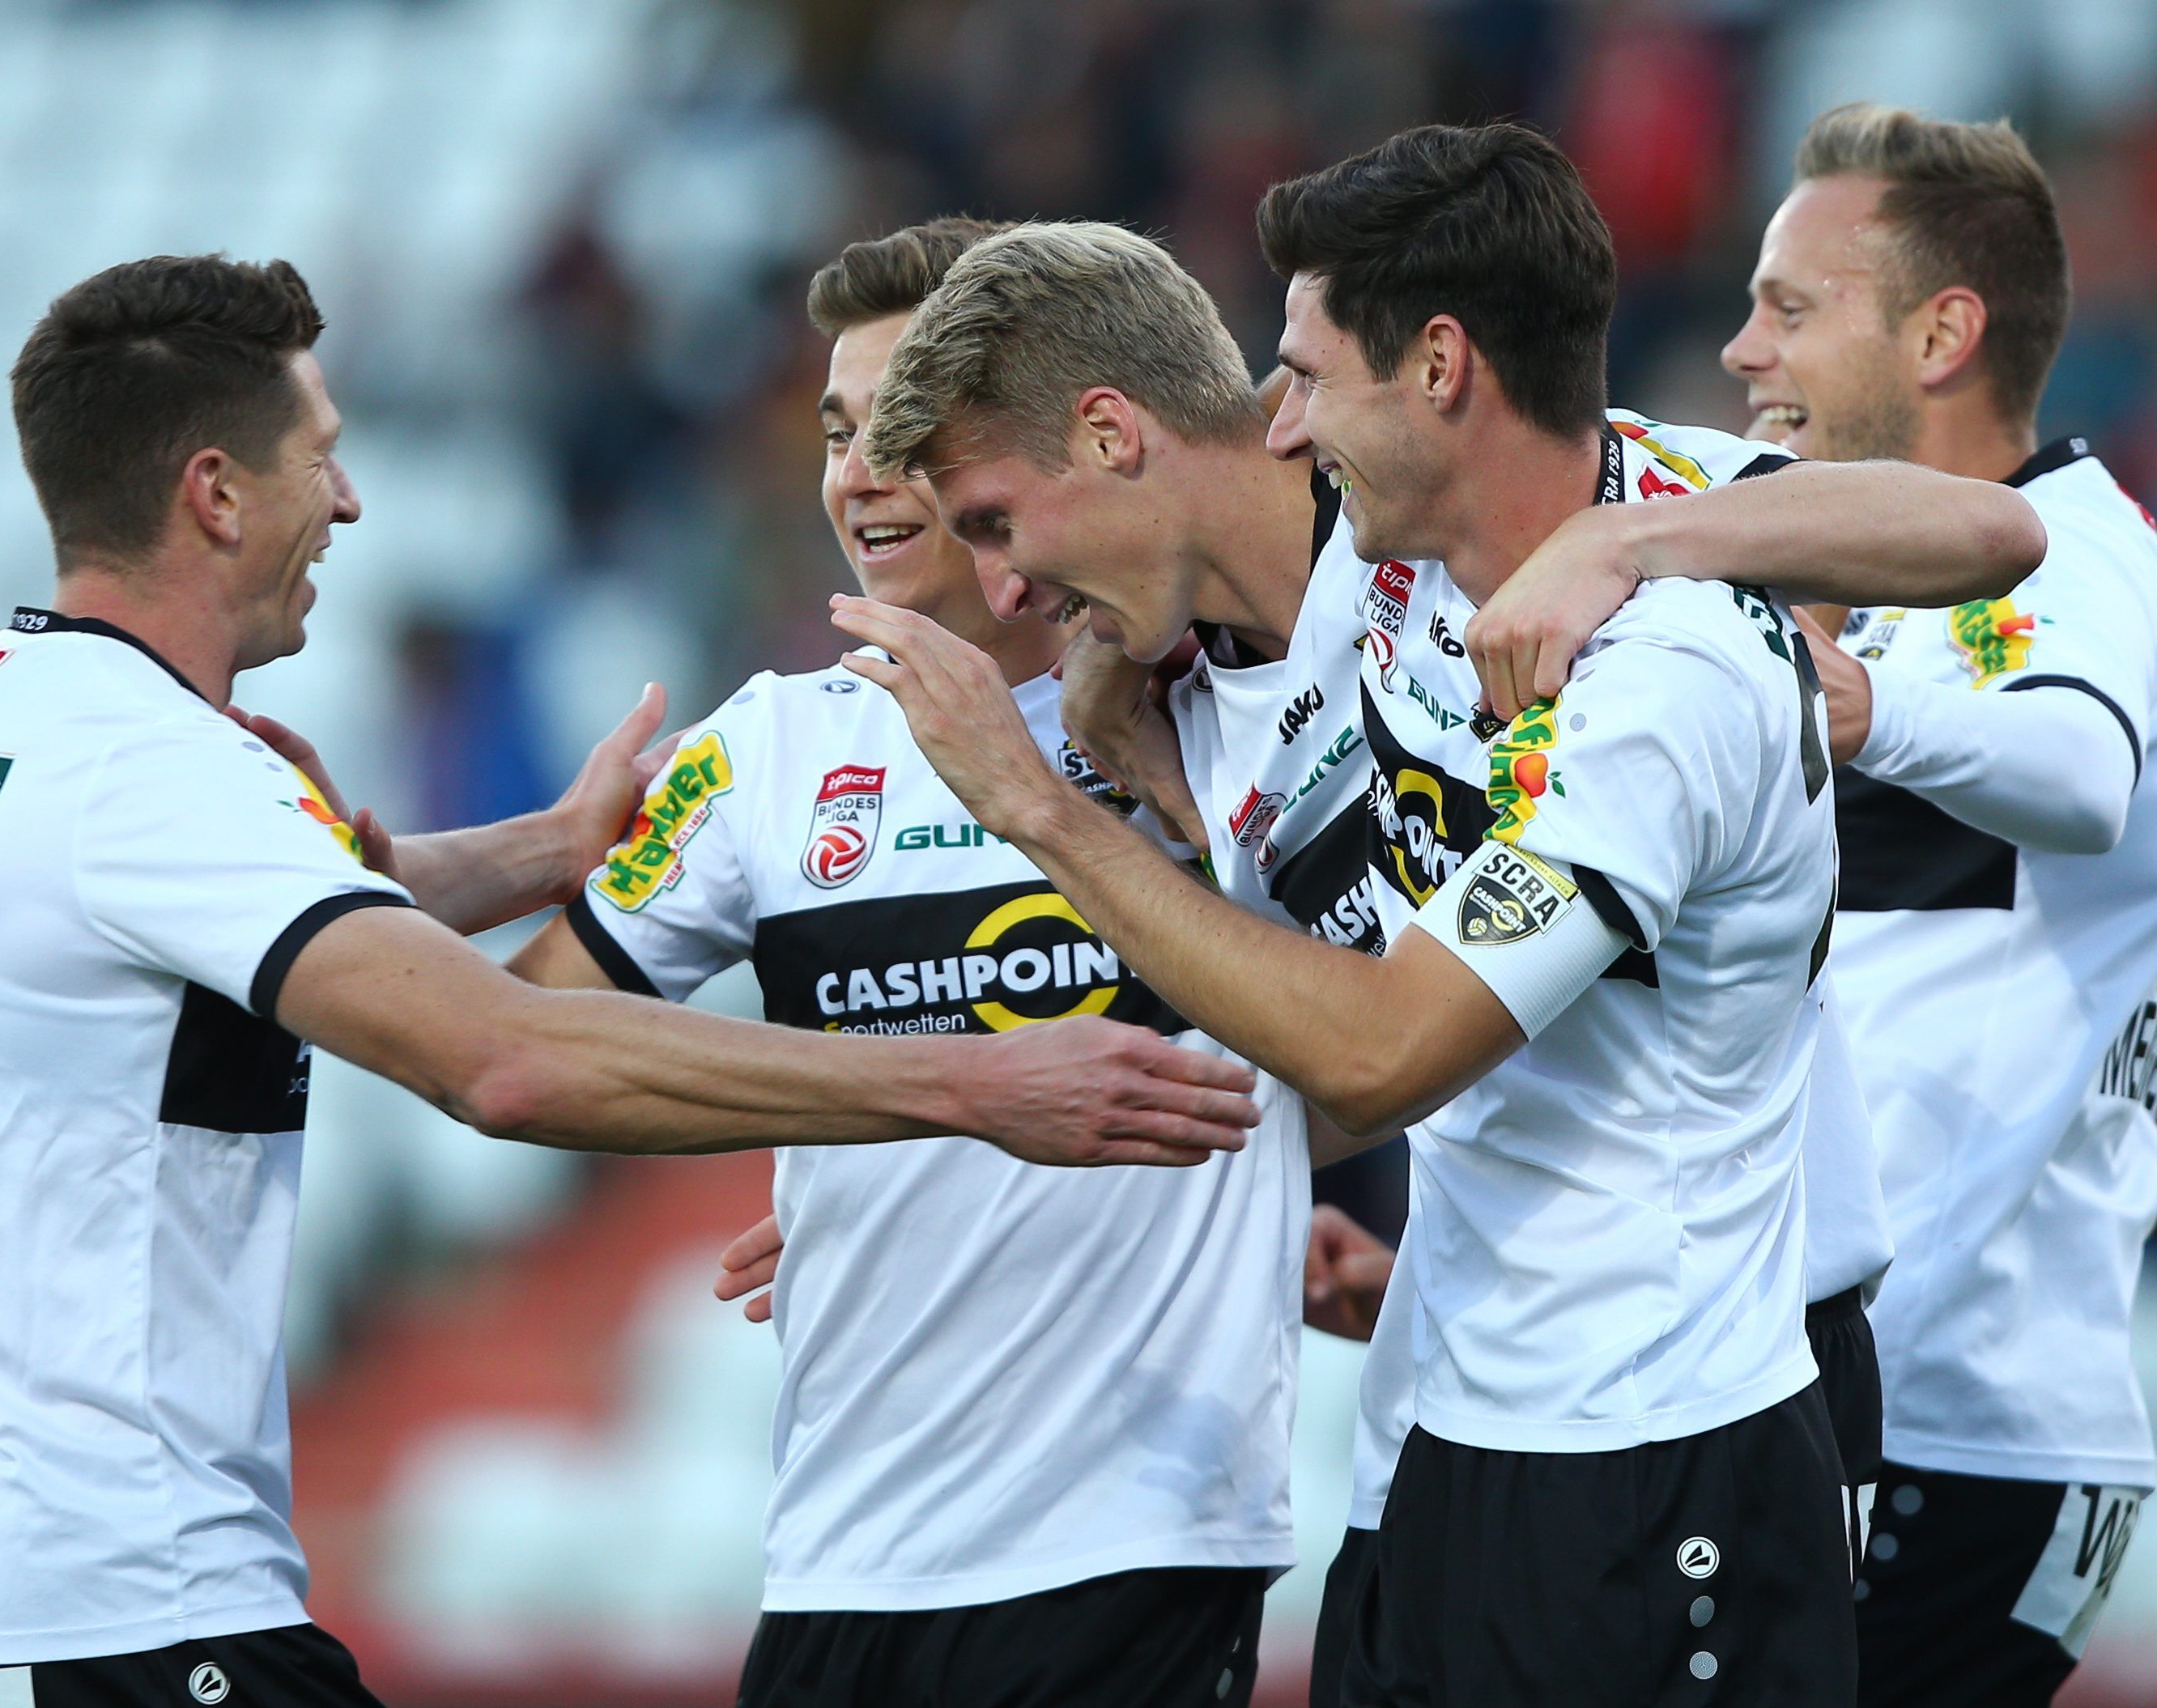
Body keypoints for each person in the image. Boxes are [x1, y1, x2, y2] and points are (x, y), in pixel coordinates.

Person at [0, 254, 1257, 1705]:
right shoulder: (156, 771)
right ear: (217, 494)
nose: (345, 504)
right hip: (120, 1605)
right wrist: (971, 1089)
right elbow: (509, 1055)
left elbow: (220, 934)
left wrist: (543, 845)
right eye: (322, 460)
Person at [831, 130, 2040, 1706]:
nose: (1002, 595)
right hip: (1464, 1389)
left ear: (1115, 437)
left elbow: (1988, 535)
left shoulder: (1557, 576)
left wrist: (1631, 535)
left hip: (1707, 1385)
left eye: (996, 527)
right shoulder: (1207, 677)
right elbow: (1325, 1036)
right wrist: (928, 1159)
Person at [500, 218, 1297, 1708]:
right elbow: (531, 1046)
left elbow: (1382, 1030)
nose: (855, 472)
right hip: (837, 1558)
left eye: (904, 432)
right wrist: (866, 1114)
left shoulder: (1217, 714)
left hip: (1135, 1543)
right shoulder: (760, 747)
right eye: (832, 428)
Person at [1717, 104, 2157, 1706]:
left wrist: (1869, 717)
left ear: (1944, 330)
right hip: (1855, 1396)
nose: (1741, 343)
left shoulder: (2082, 563)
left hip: (1972, 1418)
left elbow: (2083, 767)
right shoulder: (1869, 576)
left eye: (1791, 304)